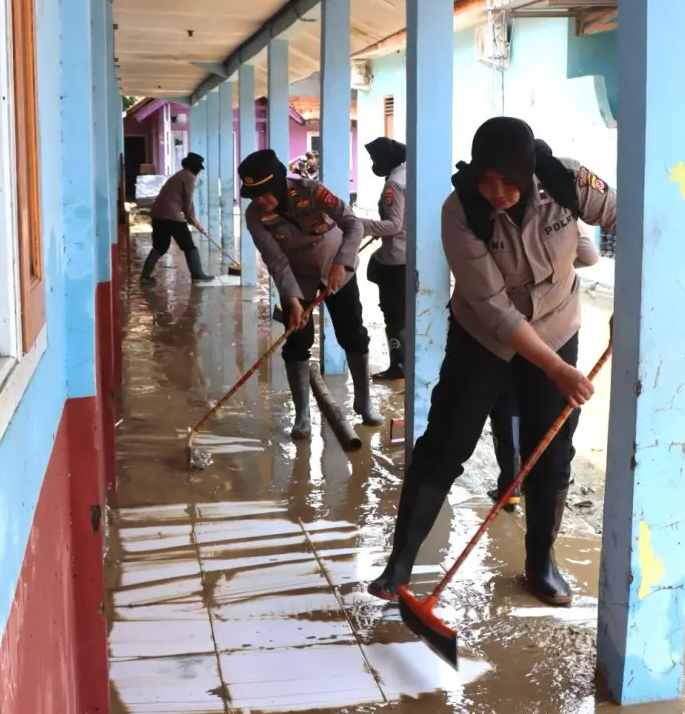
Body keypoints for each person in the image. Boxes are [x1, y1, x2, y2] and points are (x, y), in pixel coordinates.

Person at [368, 117, 617, 607]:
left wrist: (632, 303)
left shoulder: (567, 181)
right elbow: (494, 308)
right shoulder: (459, 209)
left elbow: (627, 218)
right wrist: (555, 368)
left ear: (527, 170)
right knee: (445, 442)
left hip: (557, 326)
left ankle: (541, 564)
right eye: (486, 179)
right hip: (483, 337)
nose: (497, 192)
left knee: (551, 451)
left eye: (508, 180)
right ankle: (399, 564)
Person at [488, 140, 602, 511]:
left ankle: (514, 483)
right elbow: (589, 255)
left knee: (518, 401)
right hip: (528, 326)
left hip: (538, 327)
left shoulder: (564, 196)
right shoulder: (486, 208)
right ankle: (529, 479)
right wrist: (557, 271)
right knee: (546, 402)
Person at [238, 148, 382, 437]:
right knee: (296, 339)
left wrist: (342, 263)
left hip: (336, 269)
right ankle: (302, 415)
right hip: (296, 278)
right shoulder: (254, 216)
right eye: (254, 196)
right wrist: (291, 299)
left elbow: (353, 224)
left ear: (278, 182)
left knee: (352, 332)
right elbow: (275, 261)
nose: (260, 201)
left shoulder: (312, 191)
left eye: (264, 193)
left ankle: (364, 402)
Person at [360, 137, 408, 381]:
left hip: (397, 259)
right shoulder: (411, 174)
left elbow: (393, 225)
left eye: (374, 158)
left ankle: (399, 365)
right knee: (407, 314)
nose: (374, 163)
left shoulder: (394, 183)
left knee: (394, 316)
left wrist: (359, 225)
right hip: (412, 256)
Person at [140, 152, 214, 283]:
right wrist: (193, 220)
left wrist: (192, 220)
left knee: (159, 247)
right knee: (189, 246)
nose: (199, 172)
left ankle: (145, 276)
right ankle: (197, 274)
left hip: (158, 214)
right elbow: (188, 202)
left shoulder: (179, 175)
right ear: (195, 167)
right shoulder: (189, 176)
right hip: (172, 216)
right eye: (199, 168)